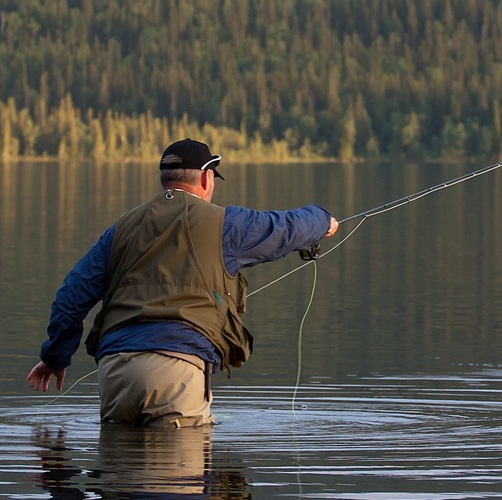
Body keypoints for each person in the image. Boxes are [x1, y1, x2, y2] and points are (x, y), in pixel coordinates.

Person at [26, 138, 338, 427]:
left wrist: (54, 357)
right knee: (179, 479)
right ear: (206, 179)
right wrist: (324, 221)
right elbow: (285, 228)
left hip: (114, 371)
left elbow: (71, 296)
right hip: (178, 370)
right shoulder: (226, 224)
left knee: (118, 481)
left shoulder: (119, 230)